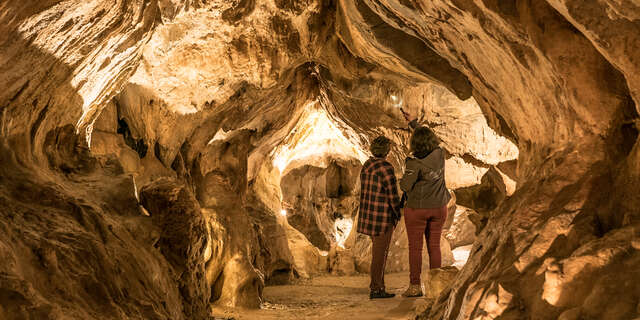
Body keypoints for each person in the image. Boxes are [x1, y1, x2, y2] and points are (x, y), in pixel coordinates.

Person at [399, 117, 451, 298]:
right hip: (439, 206)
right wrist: (416, 125)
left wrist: (402, 177)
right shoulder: (439, 153)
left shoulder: (414, 163)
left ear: (414, 143)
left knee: (415, 248)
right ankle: (436, 286)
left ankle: (415, 287)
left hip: (418, 209)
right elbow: (431, 138)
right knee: (434, 246)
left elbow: (405, 186)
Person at [356, 136, 403, 299]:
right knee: (379, 255)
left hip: (369, 217)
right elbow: (392, 195)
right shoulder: (386, 168)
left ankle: (379, 286)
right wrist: (398, 213)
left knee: (378, 254)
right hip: (382, 218)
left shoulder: (367, 165)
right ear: (387, 151)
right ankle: (376, 289)